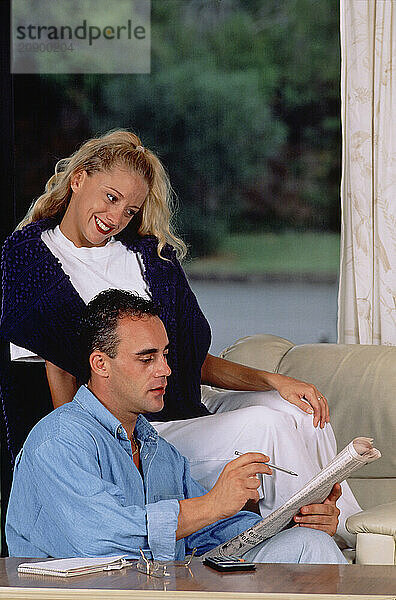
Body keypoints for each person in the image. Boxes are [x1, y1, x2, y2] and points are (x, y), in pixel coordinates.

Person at [0, 129, 360, 546]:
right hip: (138, 430)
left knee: (299, 409)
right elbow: (56, 366)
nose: (115, 219)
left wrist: (275, 381)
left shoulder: (149, 256)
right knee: (267, 426)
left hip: (186, 407)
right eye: (111, 198)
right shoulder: (30, 259)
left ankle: (345, 525)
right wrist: (90, 452)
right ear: (78, 178)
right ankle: (340, 539)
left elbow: (192, 360)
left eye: (130, 209)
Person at [6, 290, 346, 563]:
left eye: (165, 355)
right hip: (90, 592)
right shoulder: (59, 440)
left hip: (162, 587)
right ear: (100, 364)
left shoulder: (158, 450)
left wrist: (298, 521)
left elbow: (213, 531)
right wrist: (213, 503)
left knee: (308, 544)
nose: (165, 370)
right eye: (146, 358)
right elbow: (100, 538)